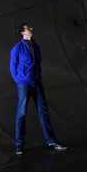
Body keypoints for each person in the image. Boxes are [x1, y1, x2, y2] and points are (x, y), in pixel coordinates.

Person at [9, 22, 67, 155]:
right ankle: (19, 143)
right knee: (22, 112)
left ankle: (51, 141)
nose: (31, 28)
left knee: (43, 111)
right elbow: (12, 67)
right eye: (28, 28)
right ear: (23, 32)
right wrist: (20, 79)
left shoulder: (36, 46)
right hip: (24, 83)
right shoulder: (17, 48)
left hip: (37, 82)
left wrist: (38, 76)